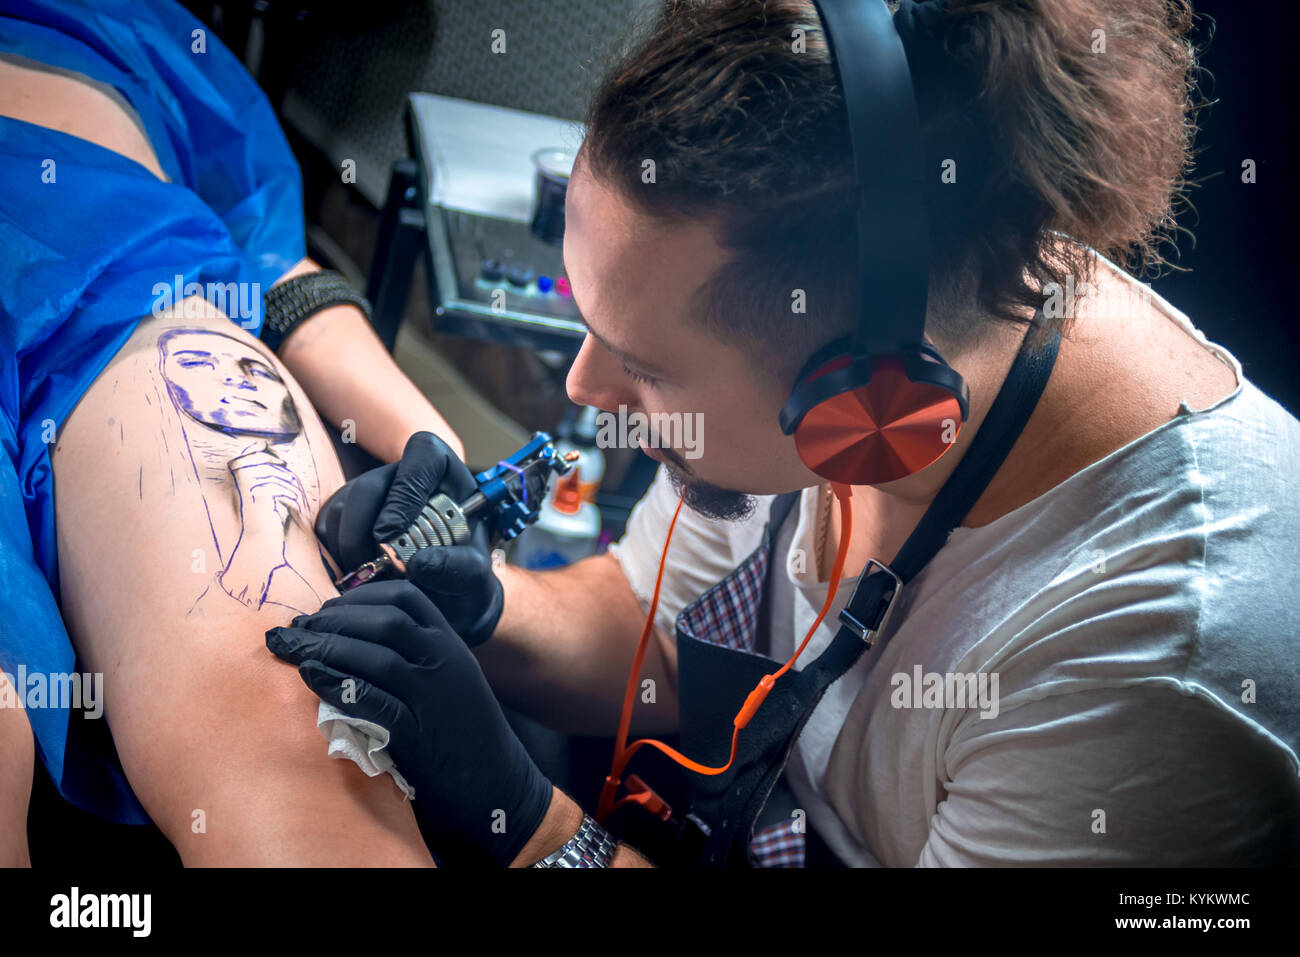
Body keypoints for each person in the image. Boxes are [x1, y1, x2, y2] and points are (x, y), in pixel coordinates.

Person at [270, 0, 1300, 867]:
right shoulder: (865, 355)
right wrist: (486, 612)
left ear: (863, 408)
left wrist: (529, 821)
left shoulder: (1153, 664)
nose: (586, 391)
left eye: (643, 365)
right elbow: (662, 647)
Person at [0, 0, 484, 864]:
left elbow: (273, 265)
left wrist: (441, 454)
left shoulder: (128, 25)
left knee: (306, 733)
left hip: (116, 308)